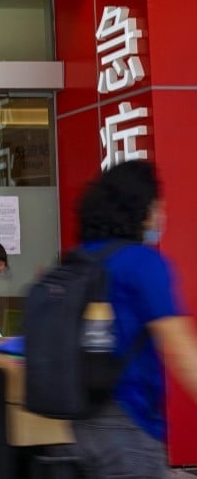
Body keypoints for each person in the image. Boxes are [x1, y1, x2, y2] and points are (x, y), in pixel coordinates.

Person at [71, 161, 197, 478]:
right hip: (129, 418)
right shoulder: (142, 263)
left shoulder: (82, 258)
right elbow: (181, 350)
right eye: (157, 204)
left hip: (82, 419)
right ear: (140, 208)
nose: (161, 213)